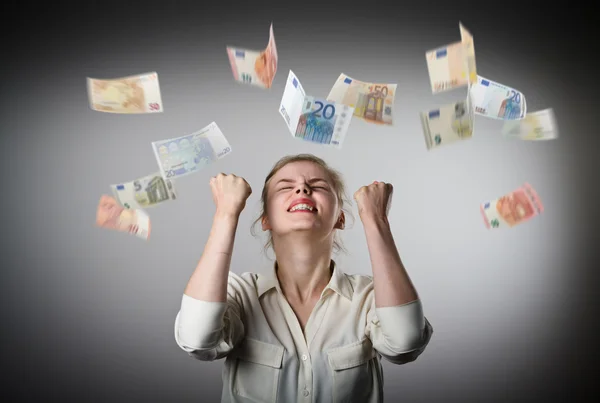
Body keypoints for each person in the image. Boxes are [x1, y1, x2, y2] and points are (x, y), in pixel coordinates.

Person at [174, 154, 433, 402]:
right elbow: (197, 340)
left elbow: (405, 343)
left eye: (318, 186)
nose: (302, 190)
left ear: (340, 218)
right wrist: (226, 214)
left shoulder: (368, 297)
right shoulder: (240, 294)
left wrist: (376, 220)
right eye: (286, 187)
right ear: (266, 220)